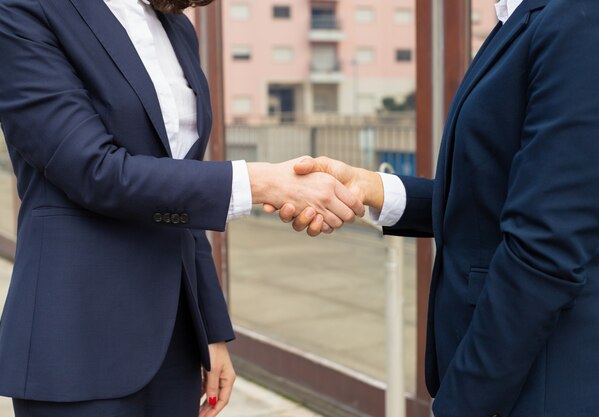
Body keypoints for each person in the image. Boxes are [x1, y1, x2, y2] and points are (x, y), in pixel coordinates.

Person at [0, 1, 363, 416]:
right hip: (76, 342)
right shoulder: (24, 10)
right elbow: (93, 170)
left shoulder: (177, 29)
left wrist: (209, 330)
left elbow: (180, 193)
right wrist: (261, 182)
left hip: (175, 343)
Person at [274, 0, 599, 415]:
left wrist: (461, 404)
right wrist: (372, 189)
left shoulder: (585, 16)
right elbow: (497, 196)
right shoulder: (526, 17)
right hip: (515, 369)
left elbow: (547, 246)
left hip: (549, 378)